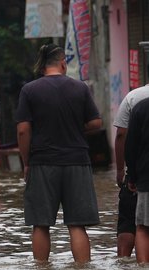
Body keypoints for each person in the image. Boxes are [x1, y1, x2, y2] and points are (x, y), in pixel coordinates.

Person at [16, 44, 102, 263]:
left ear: (43, 65)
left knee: (41, 223)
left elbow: (23, 130)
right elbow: (96, 122)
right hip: (77, 162)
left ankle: (42, 267)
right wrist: (76, 128)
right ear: (63, 62)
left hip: (42, 162)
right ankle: (82, 268)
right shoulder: (80, 88)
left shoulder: (30, 90)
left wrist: (26, 162)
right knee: (77, 224)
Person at [113, 78, 149, 257]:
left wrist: (123, 171)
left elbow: (122, 135)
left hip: (142, 174)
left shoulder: (134, 98)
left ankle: (124, 260)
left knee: (133, 222)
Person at [125, 97, 149, 263]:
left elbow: (130, 146)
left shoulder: (141, 107)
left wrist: (132, 177)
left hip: (147, 177)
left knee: (143, 227)